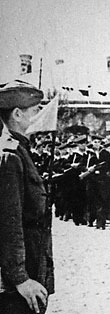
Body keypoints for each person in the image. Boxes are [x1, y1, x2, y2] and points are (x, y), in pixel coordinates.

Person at [0, 80, 54, 314]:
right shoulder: (9, 156)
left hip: (32, 266)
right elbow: (8, 223)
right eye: (35, 110)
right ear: (18, 114)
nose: (39, 115)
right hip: (17, 284)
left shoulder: (21, 150)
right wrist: (20, 278)